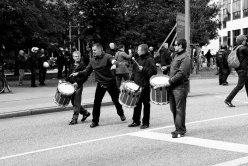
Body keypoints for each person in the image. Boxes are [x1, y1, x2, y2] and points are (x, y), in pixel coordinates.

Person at [70, 43, 126, 128]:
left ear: (100, 49)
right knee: (96, 103)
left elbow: (114, 61)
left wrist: (114, 65)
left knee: (116, 100)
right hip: (100, 84)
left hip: (111, 83)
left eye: (95, 50)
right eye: (92, 50)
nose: (93, 52)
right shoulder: (92, 60)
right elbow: (86, 71)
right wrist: (78, 73)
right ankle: (95, 121)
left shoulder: (107, 56)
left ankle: (121, 113)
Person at [165, 39, 191, 138]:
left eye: (175, 45)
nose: (174, 47)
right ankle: (178, 128)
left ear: (180, 46)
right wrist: (167, 67)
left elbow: (182, 73)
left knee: (179, 109)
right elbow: (175, 67)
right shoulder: (176, 55)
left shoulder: (186, 57)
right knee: (173, 109)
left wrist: (170, 81)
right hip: (173, 86)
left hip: (180, 87)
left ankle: (180, 130)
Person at [128, 44, 157, 129]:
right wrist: (130, 81)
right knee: (136, 104)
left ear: (143, 51)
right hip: (137, 85)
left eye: (139, 50)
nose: (137, 51)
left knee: (146, 104)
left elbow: (154, 72)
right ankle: (136, 121)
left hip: (145, 85)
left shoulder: (150, 59)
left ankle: (146, 122)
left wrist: (143, 69)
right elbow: (134, 72)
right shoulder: (138, 59)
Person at [65, 51, 91, 125]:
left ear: (80, 57)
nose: (77, 57)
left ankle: (74, 119)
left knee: (76, 103)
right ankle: (85, 113)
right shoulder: (72, 65)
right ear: (73, 57)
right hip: (71, 86)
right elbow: (69, 76)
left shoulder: (83, 66)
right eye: (76, 56)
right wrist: (64, 81)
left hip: (78, 86)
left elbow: (85, 77)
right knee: (73, 102)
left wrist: (78, 83)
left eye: (78, 56)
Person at [225, 35, 248, 107]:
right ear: (242, 41)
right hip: (243, 69)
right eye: (245, 40)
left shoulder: (236, 48)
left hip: (239, 69)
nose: (246, 41)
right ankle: (228, 99)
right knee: (240, 86)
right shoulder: (243, 48)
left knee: (247, 84)